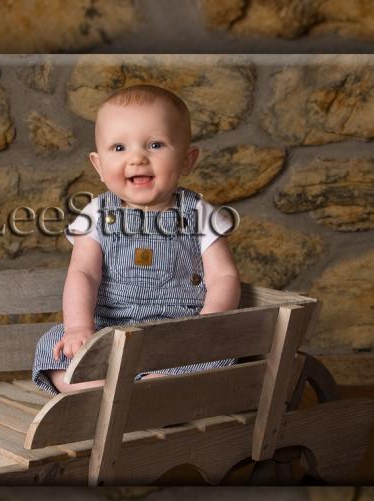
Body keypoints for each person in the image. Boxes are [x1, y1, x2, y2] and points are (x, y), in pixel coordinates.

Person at [32, 84, 241, 394]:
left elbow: (223, 275)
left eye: (155, 145)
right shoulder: (96, 214)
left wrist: (207, 322)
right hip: (108, 327)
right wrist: (78, 328)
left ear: (187, 160)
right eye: (119, 148)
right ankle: (104, 391)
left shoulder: (198, 212)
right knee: (53, 348)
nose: (138, 158)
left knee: (214, 355)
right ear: (98, 165)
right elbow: (83, 273)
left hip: (176, 332)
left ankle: (149, 392)